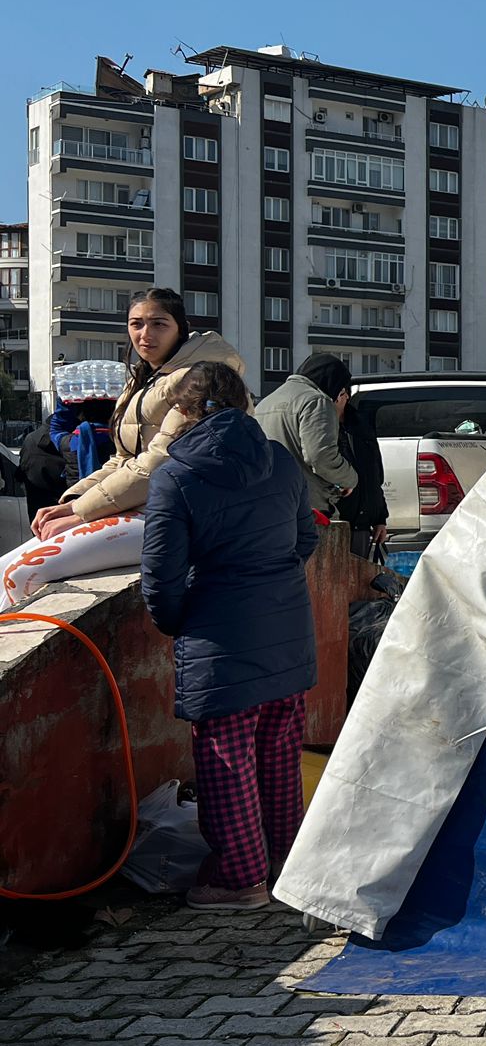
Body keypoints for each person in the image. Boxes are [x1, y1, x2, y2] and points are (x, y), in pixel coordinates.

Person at [139, 361, 319, 910]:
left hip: (219, 634)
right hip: (287, 627)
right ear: (246, 404)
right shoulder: (282, 463)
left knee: (225, 761)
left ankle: (241, 880)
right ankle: (283, 860)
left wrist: (181, 620)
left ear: (184, 412)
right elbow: (305, 540)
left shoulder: (176, 476)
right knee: (279, 753)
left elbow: (161, 576)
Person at [2, 290, 243, 607]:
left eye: (159, 324)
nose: (145, 335)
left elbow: (161, 462)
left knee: (22, 576)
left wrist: (81, 512)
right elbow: (122, 459)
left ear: (180, 327)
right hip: (143, 507)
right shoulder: (145, 379)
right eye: (136, 324)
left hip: (183, 517)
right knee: (5, 568)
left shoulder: (206, 379)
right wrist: (73, 501)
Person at [254, 354, 357, 519]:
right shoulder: (316, 400)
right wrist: (350, 478)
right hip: (308, 508)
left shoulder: (264, 403)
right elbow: (321, 457)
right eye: (341, 392)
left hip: (268, 505)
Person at [19, 360, 125, 513]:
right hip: (117, 510)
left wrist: (67, 394)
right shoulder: (125, 440)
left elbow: (57, 427)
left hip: (79, 509)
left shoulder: (71, 443)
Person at [334, 387, 389, 560]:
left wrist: (380, 518)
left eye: (341, 394)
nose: (337, 400)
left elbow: (375, 476)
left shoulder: (360, 426)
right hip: (335, 521)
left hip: (362, 525)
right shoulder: (319, 429)